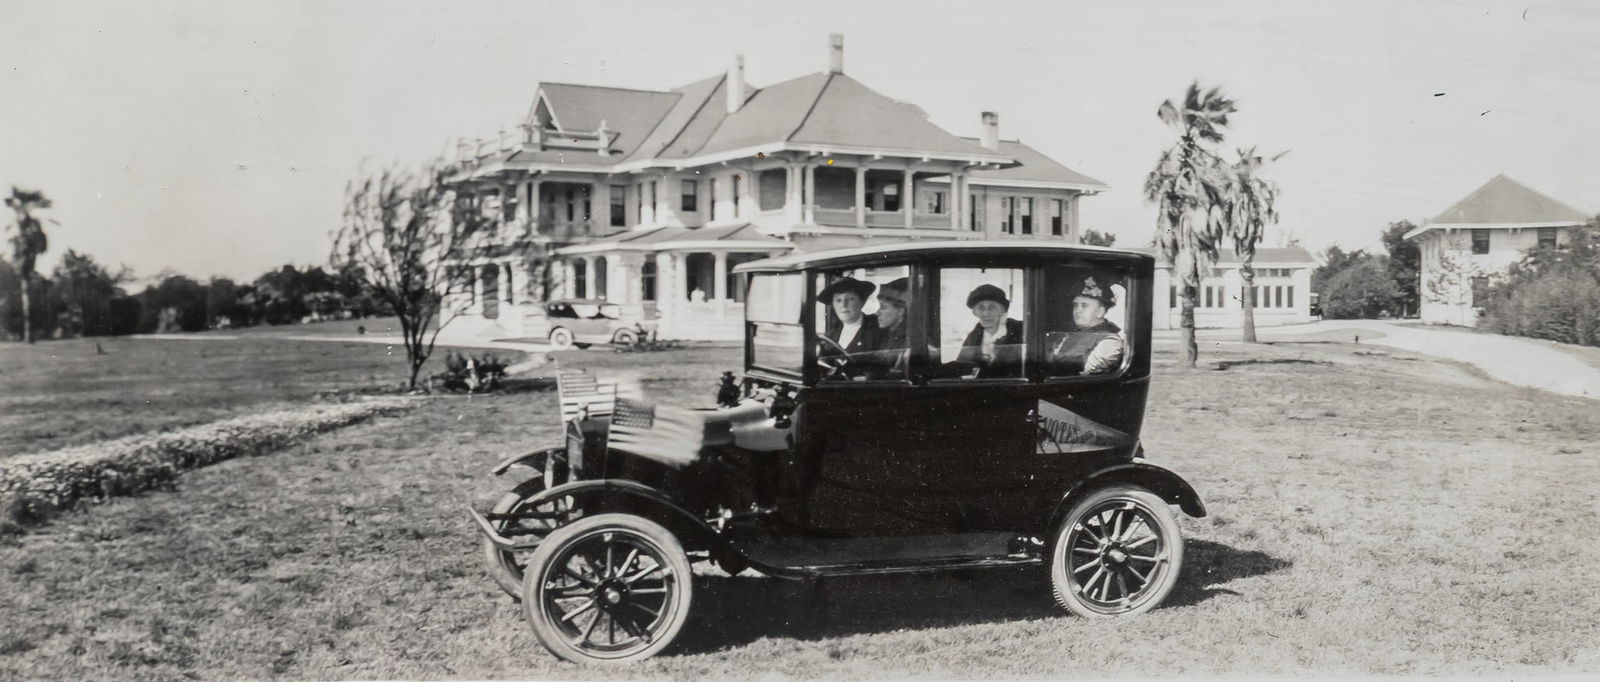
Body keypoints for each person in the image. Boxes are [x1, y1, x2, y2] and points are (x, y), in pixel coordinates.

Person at [1047, 274, 1125, 375]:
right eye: (1075, 305)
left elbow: (1084, 377)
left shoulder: (1109, 341)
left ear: (1100, 312)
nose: (1078, 310)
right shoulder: (1070, 335)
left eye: (1084, 305)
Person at [956, 283, 1024, 378]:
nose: (986, 313)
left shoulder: (1021, 329)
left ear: (1003, 310)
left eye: (992, 307)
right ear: (974, 312)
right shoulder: (972, 337)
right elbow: (960, 368)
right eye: (981, 308)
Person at [815, 277, 879, 376]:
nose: (844, 305)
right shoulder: (830, 336)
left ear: (862, 302)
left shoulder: (877, 331)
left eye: (850, 299)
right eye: (838, 300)